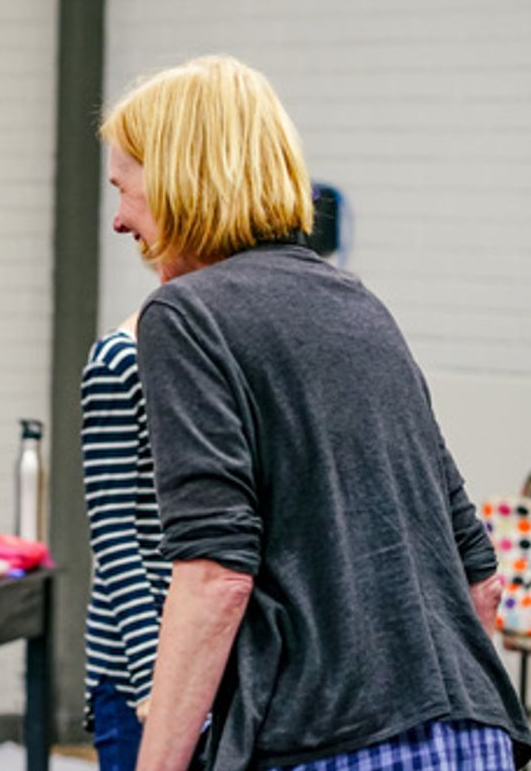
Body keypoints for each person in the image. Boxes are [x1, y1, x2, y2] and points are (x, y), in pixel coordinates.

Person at [99, 55, 531, 771]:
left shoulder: (184, 315)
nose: (119, 219)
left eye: (124, 187)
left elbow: (215, 575)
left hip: (330, 741)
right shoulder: (358, 305)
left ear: (177, 175)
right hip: (474, 730)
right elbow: (477, 573)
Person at [81, 308, 170, 771]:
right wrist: (155, 681)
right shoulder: (120, 363)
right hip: (137, 671)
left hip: (204, 662)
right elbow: (112, 533)